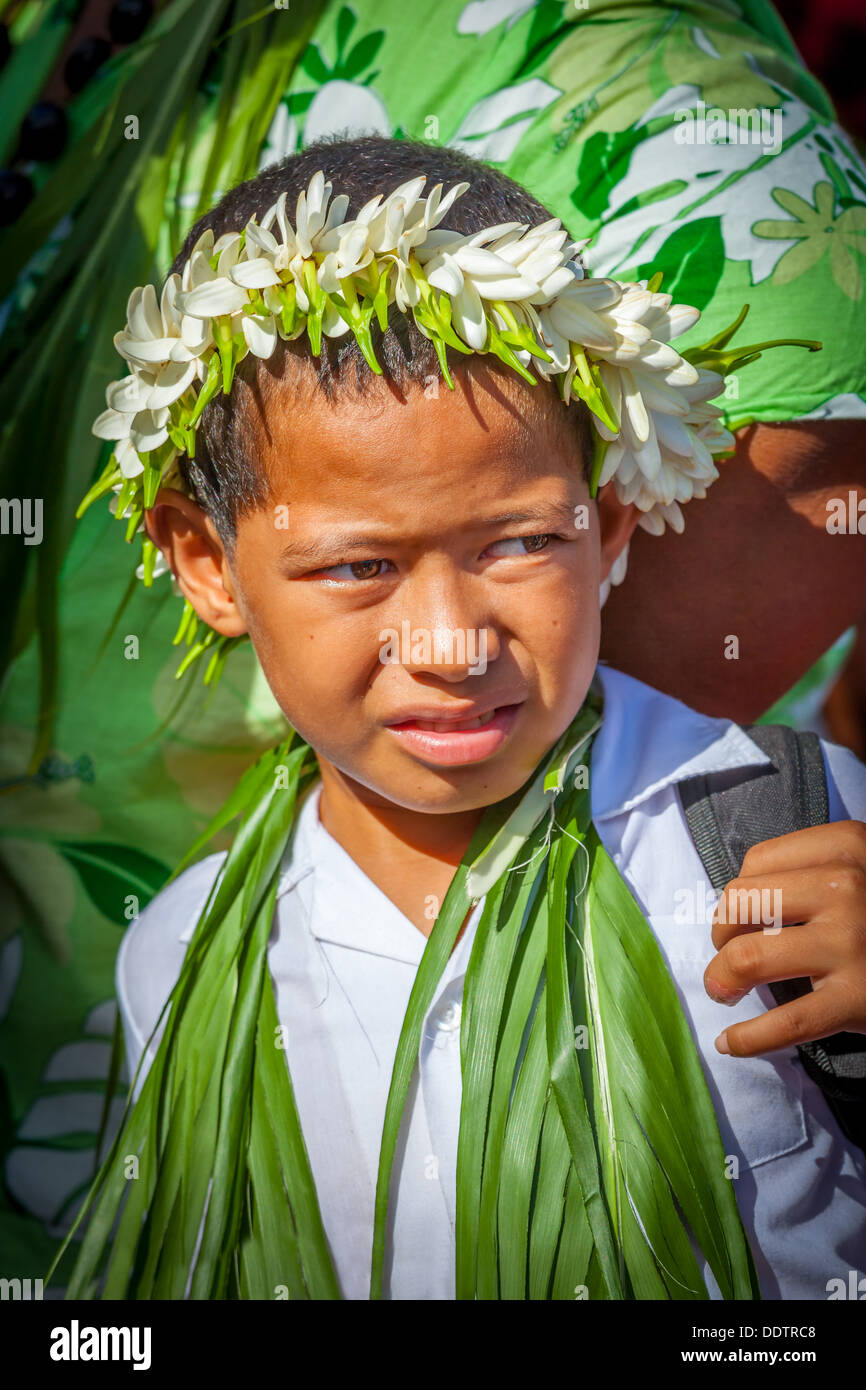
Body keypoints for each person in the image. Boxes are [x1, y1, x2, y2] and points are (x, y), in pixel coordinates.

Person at [53, 135, 866, 1301]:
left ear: (612, 524)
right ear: (206, 562)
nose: (449, 644)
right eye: (359, 567)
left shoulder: (791, 834)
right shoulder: (180, 965)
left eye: (521, 543)